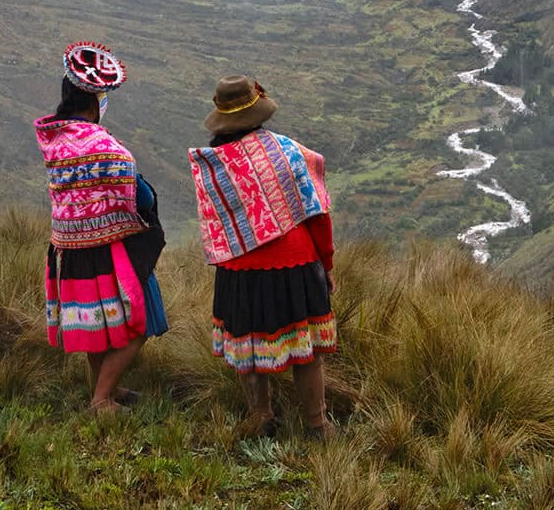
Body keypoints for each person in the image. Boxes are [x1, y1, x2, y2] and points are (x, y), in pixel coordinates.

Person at [188, 76, 337, 438]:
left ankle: (261, 416)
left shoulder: (211, 164)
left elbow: (218, 222)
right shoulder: (287, 150)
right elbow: (317, 212)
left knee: (248, 346)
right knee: (307, 349)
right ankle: (316, 424)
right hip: (296, 261)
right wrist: (327, 264)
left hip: (238, 267)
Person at [36, 42, 167, 414]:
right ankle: (101, 399)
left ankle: (107, 387)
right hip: (112, 249)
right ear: (94, 101)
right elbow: (137, 195)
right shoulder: (105, 147)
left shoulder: (56, 142)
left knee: (96, 324)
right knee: (139, 321)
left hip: (71, 250)